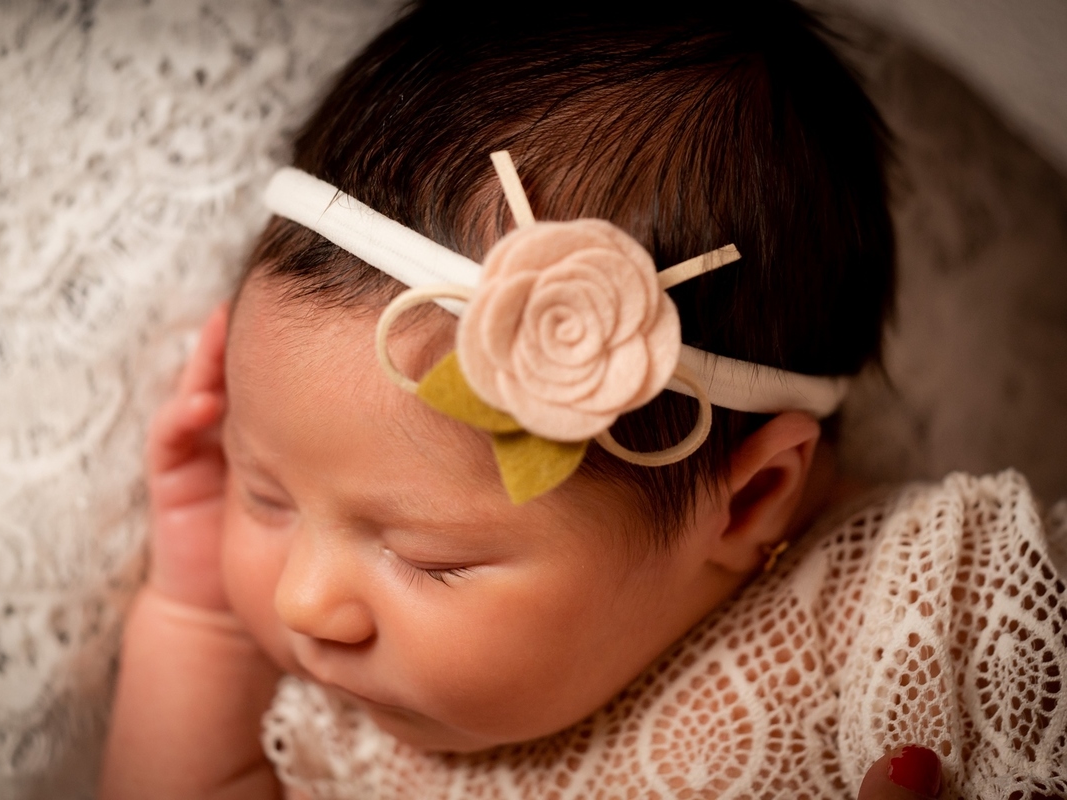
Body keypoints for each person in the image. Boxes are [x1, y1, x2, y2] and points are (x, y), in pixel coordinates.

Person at [99, 1, 1067, 798]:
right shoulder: (349, 718)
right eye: (263, 491)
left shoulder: (923, 616)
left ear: (749, 497)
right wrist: (195, 609)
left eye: (431, 558)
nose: (302, 600)